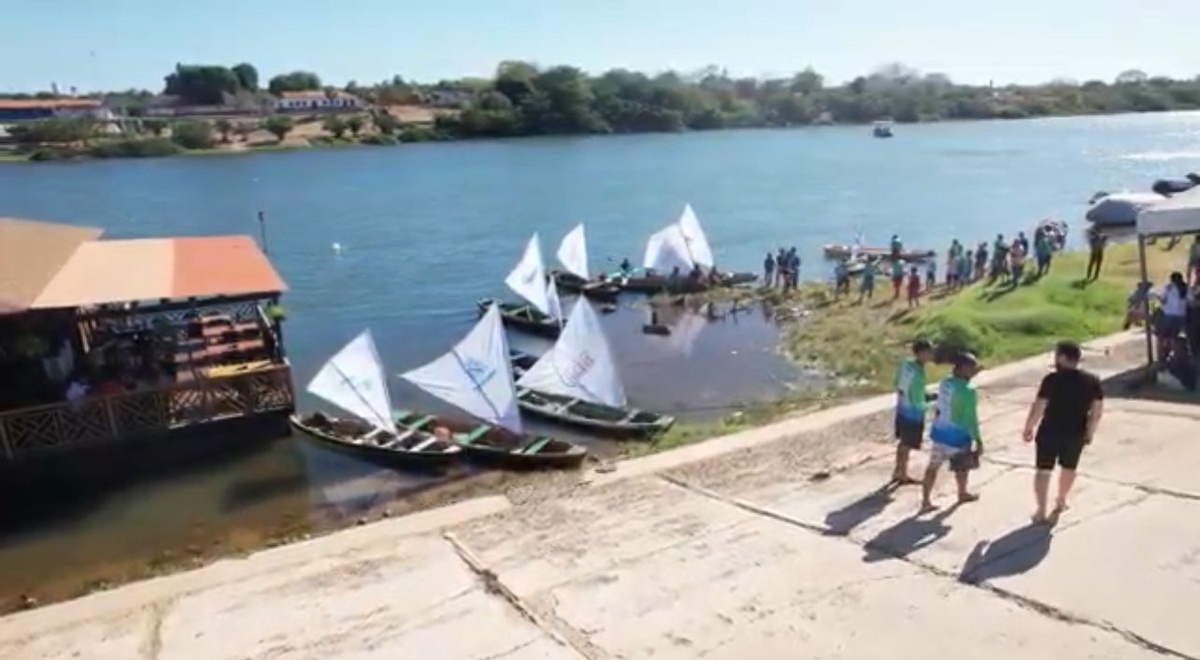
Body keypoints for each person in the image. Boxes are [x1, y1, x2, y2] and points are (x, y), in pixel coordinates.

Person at [1021, 341, 1104, 524]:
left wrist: (1029, 427)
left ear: (1063, 358)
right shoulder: (1092, 381)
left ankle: (1041, 511)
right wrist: (1090, 432)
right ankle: (1060, 500)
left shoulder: (1051, 380)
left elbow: (1039, 407)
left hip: (1049, 432)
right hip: (1075, 433)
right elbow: (1096, 411)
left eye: (1057, 355)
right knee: (1069, 468)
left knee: (1043, 471)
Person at [921, 352, 983, 511]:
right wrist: (978, 440)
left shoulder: (945, 383)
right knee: (962, 468)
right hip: (958, 437)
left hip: (939, 434)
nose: (974, 371)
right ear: (963, 368)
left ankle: (926, 501)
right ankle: (962, 493)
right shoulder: (968, 391)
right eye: (972, 368)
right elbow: (971, 419)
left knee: (932, 468)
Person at [892, 339, 934, 484]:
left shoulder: (906, 365)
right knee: (908, 444)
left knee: (903, 443)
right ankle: (902, 474)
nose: (932, 354)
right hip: (913, 413)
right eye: (929, 351)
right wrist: (932, 404)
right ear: (921, 353)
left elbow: (896, 383)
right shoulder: (918, 372)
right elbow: (918, 401)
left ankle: (898, 470)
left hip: (901, 409)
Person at [1155, 272, 1189, 363]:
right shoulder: (1186, 288)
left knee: (1162, 336)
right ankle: (1175, 357)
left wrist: (1159, 298)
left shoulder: (1169, 287)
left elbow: (1162, 299)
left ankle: (1161, 357)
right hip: (1181, 317)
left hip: (1169, 315)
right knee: (1173, 337)